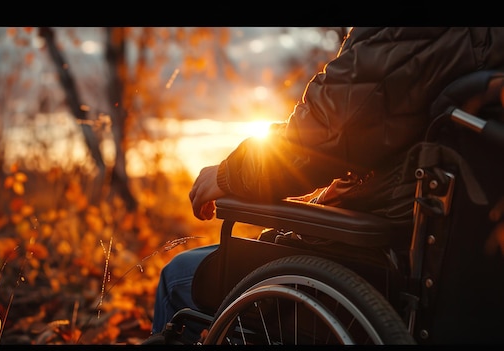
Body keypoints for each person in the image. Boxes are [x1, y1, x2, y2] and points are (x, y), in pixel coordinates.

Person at [149, 27, 504, 343]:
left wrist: (230, 174)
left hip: (386, 261)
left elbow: (322, 137)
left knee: (178, 278)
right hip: (465, 274)